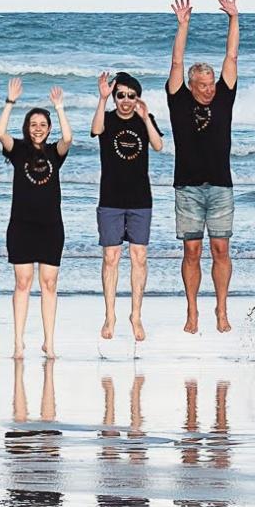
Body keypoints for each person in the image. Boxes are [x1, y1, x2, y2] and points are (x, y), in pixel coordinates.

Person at [166, 0, 241, 333]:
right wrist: (183, 25)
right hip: (188, 187)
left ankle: (221, 310)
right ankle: (192, 311)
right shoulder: (179, 101)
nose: (210, 89)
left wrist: (233, 18)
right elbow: (177, 64)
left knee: (220, 248)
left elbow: (231, 55)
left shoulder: (224, 97)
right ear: (192, 86)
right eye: (204, 85)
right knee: (193, 251)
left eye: (212, 84)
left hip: (221, 186)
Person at [0, 79, 72, 359]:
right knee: (23, 282)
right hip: (22, 226)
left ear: (48, 128)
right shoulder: (17, 151)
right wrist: (10, 102)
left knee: (50, 283)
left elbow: (68, 139)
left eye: (42, 124)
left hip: (51, 227)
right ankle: (18, 342)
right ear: (27, 129)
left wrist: (59, 107)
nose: (37, 128)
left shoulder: (55, 153)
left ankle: (49, 342)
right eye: (33, 124)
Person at [92, 70, 164, 341]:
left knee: (139, 257)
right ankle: (110, 315)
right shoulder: (107, 119)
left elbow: (158, 145)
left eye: (131, 96)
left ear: (138, 98)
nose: (125, 100)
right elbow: (96, 130)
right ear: (114, 97)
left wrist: (145, 118)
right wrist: (102, 99)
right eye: (120, 95)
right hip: (110, 198)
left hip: (140, 199)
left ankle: (136, 314)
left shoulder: (145, 120)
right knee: (111, 258)